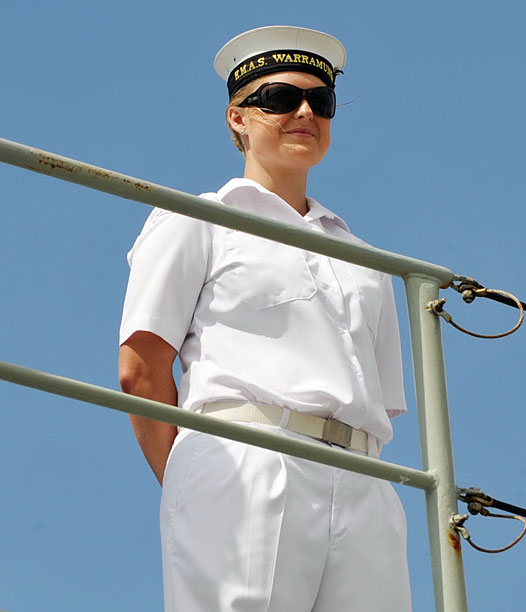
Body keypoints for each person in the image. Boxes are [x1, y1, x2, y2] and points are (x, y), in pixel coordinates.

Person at [118, 26, 412, 611]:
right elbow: (140, 369)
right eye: (279, 98)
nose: (304, 112)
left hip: (364, 476)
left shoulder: (364, 260)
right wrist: (193, 481)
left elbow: (381, 399)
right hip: (246, 455)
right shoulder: (195, 218)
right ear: (238, 118)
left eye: (320, 101)